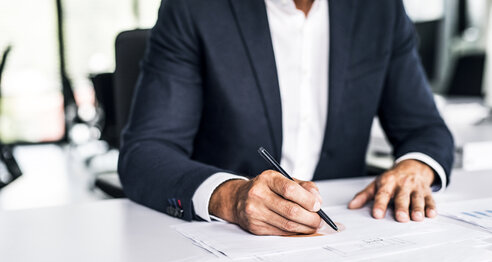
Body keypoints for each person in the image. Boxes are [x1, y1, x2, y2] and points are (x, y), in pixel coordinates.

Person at [118, 0, 454, 236]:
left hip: (349, 239)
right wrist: (231, 197)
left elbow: (424, 128)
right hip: (227, 245)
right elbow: (145, 152)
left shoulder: (380, 9)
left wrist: (415, 167)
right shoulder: (194, 8)